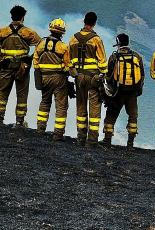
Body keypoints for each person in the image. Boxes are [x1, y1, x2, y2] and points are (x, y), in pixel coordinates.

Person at [0, 5, 41, 127]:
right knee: (22, 94)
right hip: (22, 68)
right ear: (23, 17)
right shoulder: (28, 32)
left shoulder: (2, 31)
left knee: (1, 92)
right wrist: (29, 59)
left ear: (11, 16)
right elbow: (41, 46)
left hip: (6, 66)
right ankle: (19, 122)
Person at [64, 11, 108, 146]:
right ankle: (92, 140)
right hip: (93, 77)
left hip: (79, 77)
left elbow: (68, 60)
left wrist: (74, 72)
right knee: (94, 107)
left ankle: (81, 138)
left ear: (84, 21)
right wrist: (103, 75)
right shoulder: (96, 39)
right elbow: (102, 62)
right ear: (94, 23)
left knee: (81, 106)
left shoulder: (73, 38)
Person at [32, 18, 72, 140]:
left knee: (45, 102)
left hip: (44, 78)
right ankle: (58, 133)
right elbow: (68, 66)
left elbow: (35, 62)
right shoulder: (63, 47)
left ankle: (40, 129)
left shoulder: (41, 43)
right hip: (59, 79)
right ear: (62, 32)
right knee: (61, 106)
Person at [102, 33, 144, 148]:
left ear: (118, 44)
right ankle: (130, 143)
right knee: (133, 116)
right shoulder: (137, 56)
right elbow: (142, 76)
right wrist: (137, 91)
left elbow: (108, 75)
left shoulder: (114, 57)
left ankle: (107, 141)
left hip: (118, 92)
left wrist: (109, 92)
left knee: (111, 115)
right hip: (132, 93)